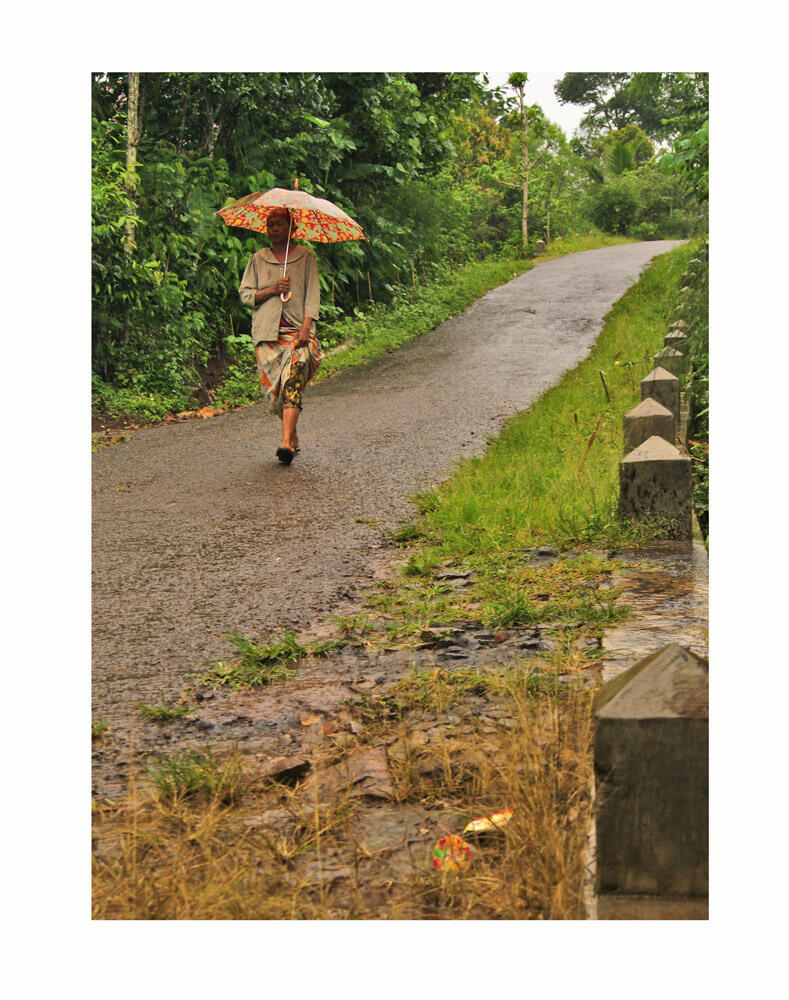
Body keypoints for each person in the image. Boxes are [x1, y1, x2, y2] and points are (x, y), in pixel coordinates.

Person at [238, 207, 322, 464]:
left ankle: (285, 443)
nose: (273, 228)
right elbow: (246, 296)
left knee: (293, 379)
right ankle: (293, 436)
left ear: (291, 228)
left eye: (279, 224)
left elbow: (312, 296)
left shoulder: (306, 257)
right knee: (276, 392)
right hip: (267, 336)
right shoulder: (257, 259)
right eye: (270, 224)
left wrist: (306, 329)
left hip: (298, 333)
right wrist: (273, 289)